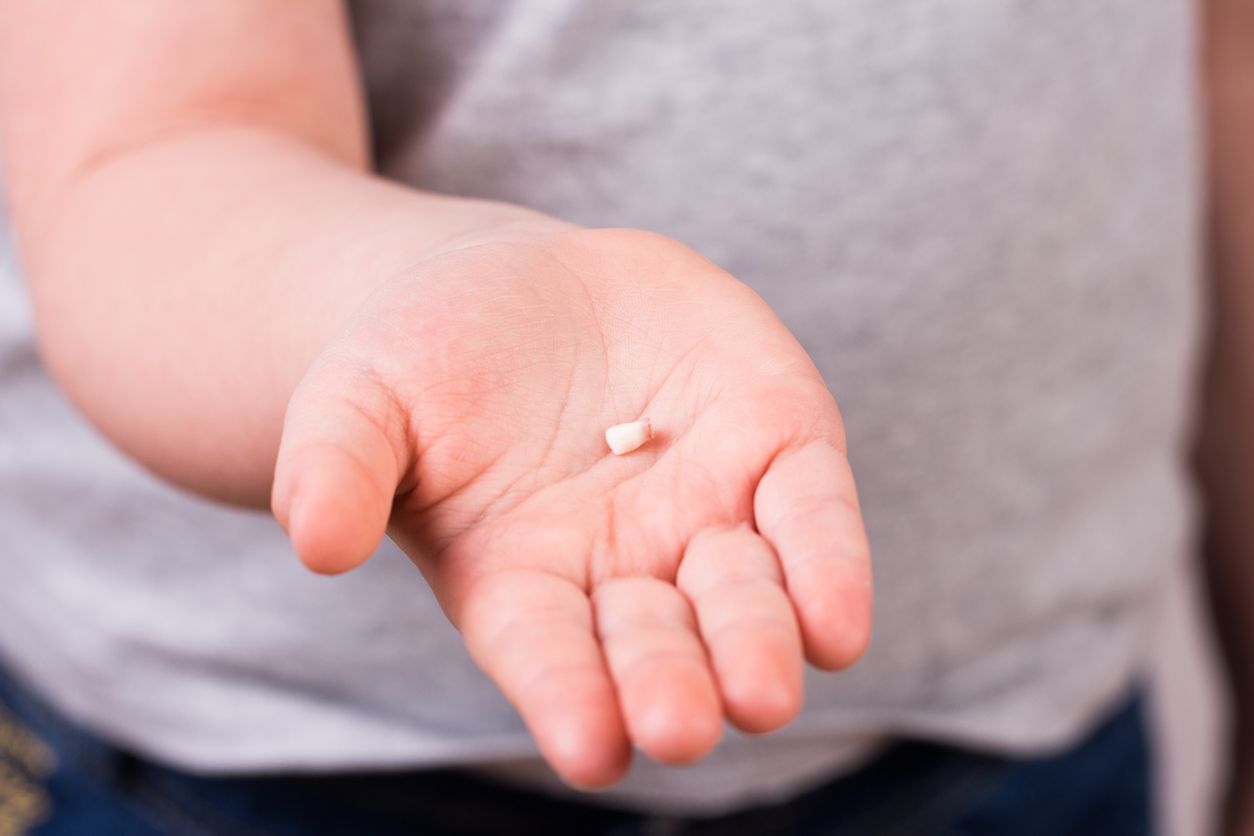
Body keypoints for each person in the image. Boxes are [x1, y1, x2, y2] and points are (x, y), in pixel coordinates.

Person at [0, 1, 1243, 833]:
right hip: (261, 767)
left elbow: (1222, 64)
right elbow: (152, 146)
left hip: (1025, 725)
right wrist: (400, 298)